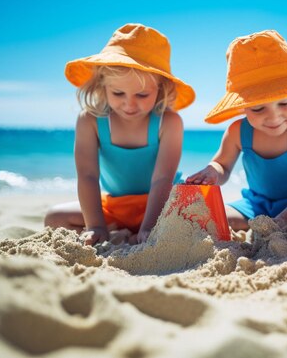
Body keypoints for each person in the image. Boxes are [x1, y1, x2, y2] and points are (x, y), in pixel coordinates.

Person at [44, 23, 195, 245]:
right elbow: (87, 176)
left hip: (164, 204)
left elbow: (162, 179)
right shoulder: (90, 121)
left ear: (160, 89)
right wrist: (95, 226)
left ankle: (132, 231)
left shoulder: (169, 122)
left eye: (142, 94)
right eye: (118, 93)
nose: (129, 104)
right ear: (102, 86)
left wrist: (150, 226)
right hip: (117, 206)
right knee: (54, 217)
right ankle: (123, 230)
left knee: (198, 219)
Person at [186, 30, 287, 231]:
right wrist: (213, 172)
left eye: (284, 103)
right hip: (257, 205)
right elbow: (223, 165)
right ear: (243, 107)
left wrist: (283, 220)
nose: (274, 117)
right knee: (215, 219)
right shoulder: (238, 131)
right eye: (258, 108)